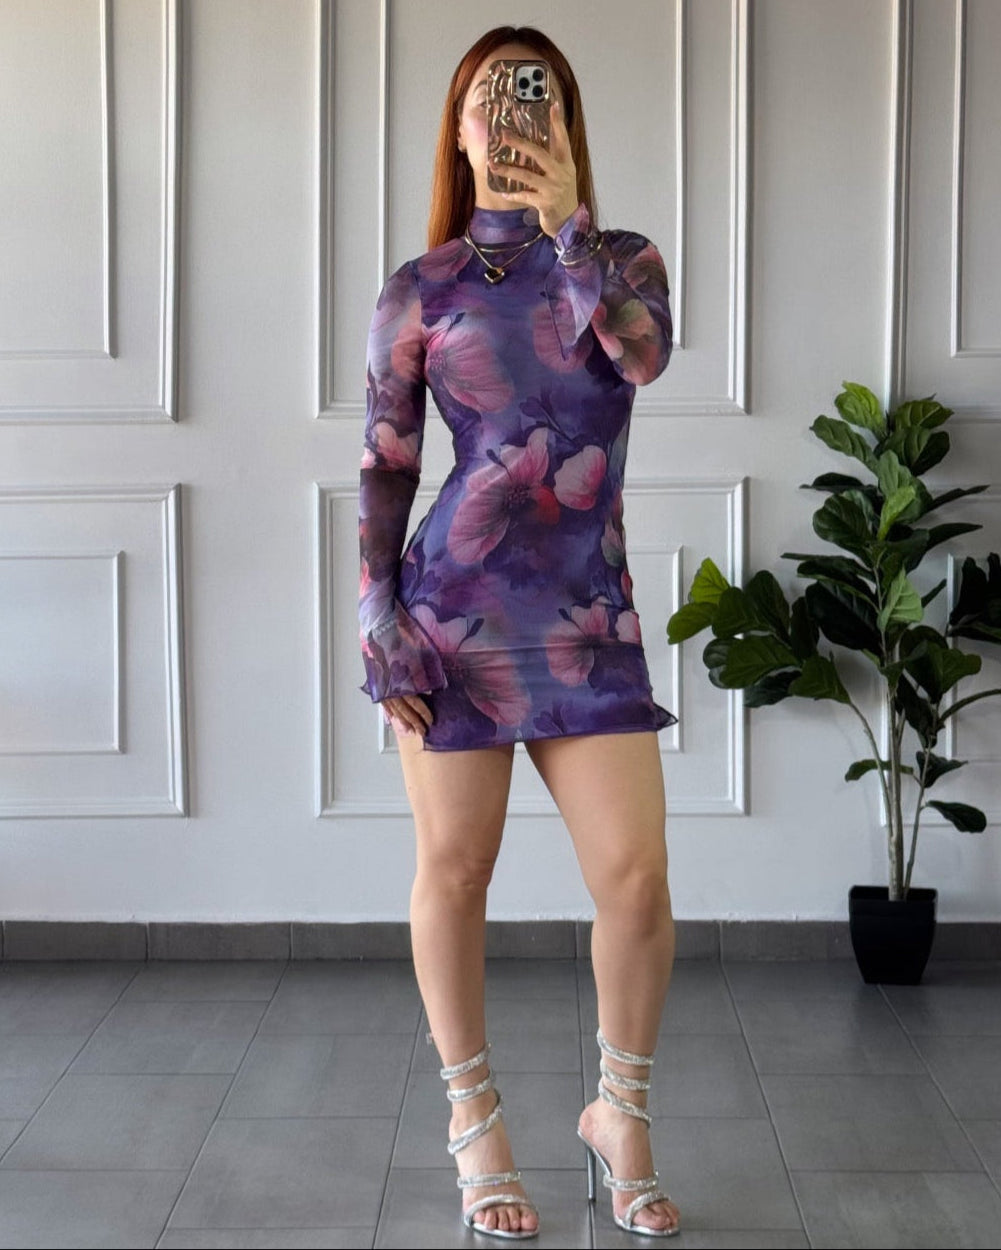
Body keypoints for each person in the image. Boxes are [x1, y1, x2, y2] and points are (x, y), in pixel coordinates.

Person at [357, 24, 681, 1240]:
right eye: (486, 101)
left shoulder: (623, 261)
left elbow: (639, 359)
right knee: (453, 870)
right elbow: (386, 467)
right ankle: (475, 1124)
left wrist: (569, 233)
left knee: (635, 879)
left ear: (563, 123)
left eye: (528, 99)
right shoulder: (419, 287)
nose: (506, 120)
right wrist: (378, 619)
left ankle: (618, 1113)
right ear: (455, 130)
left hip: (586, 617)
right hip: (453, 617)